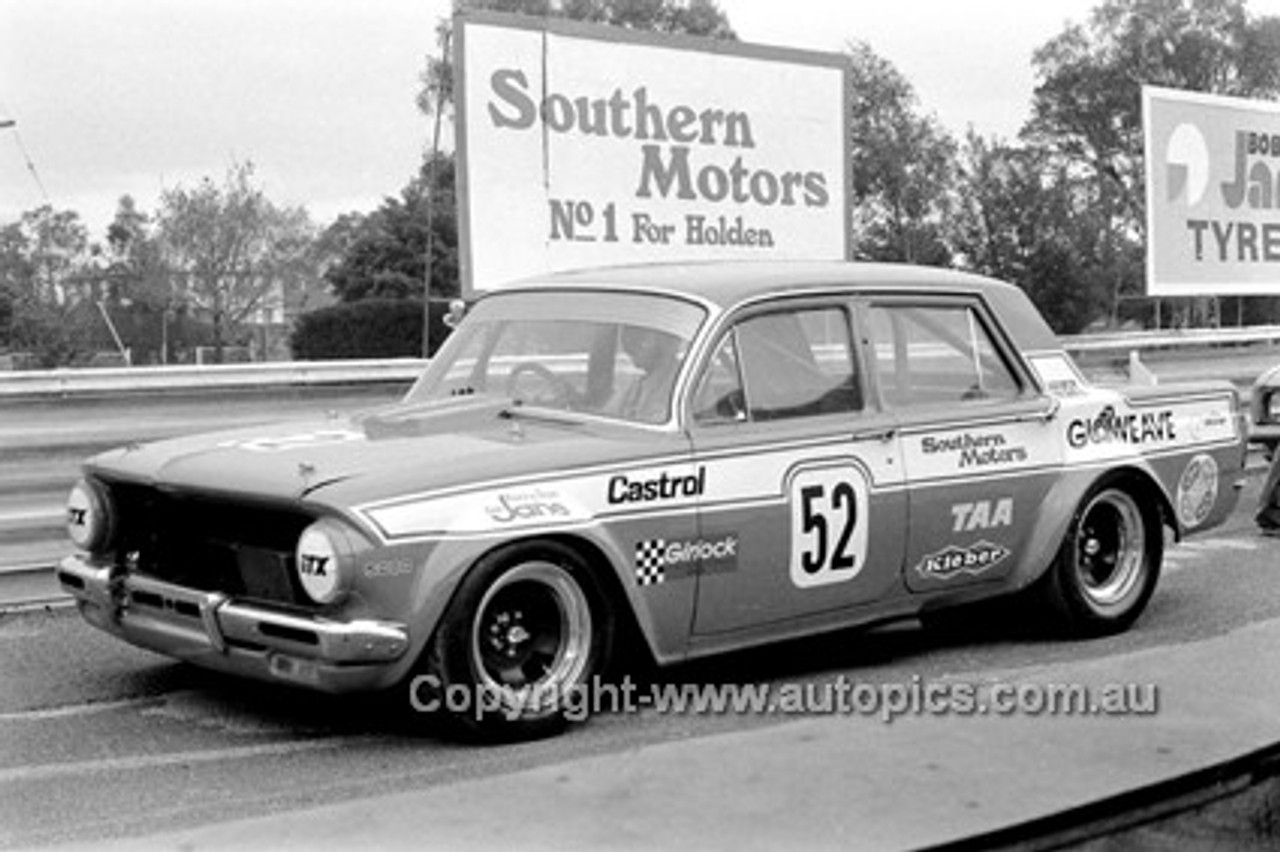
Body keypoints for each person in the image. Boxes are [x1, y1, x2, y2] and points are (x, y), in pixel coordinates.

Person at [613, 325, 682, 424]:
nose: (629, 344)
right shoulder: (635, 387)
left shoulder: (695, 383)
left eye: (642, 336)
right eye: (628, 334)